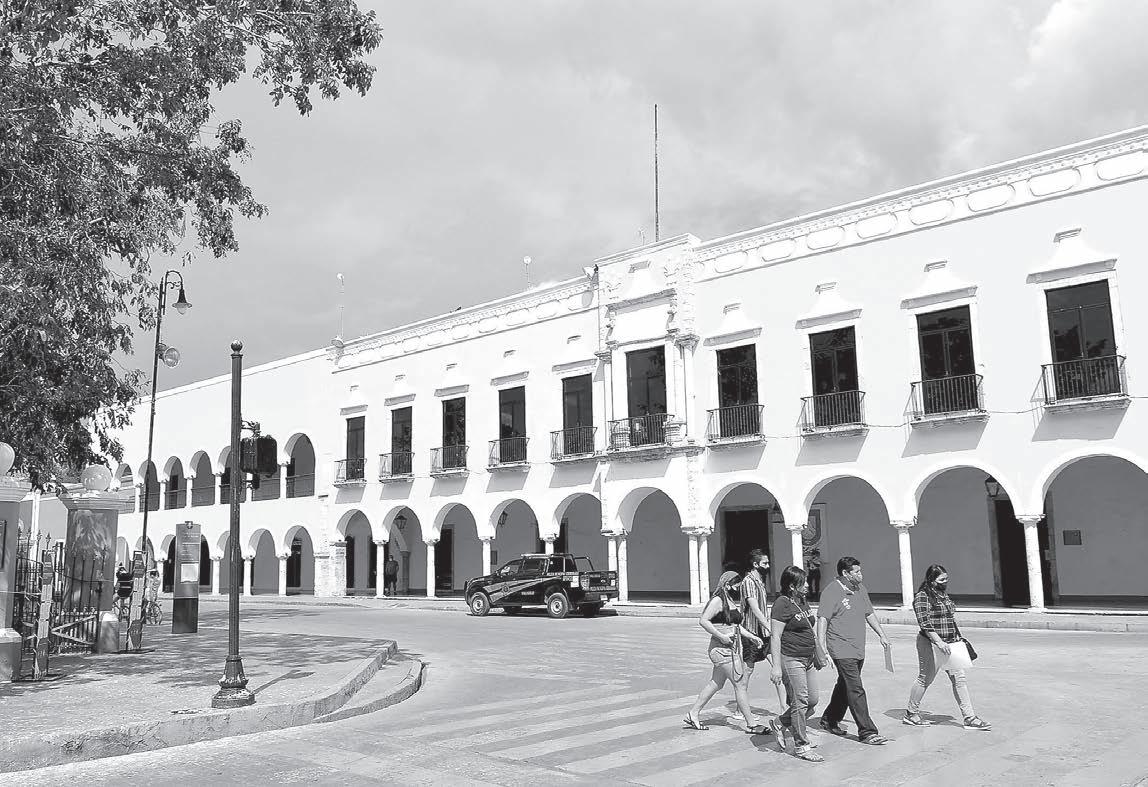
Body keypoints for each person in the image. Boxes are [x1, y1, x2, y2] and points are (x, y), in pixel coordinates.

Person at [903, 564, 992, 731]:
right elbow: (924, 623)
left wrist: (955, 640)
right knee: (925, 679)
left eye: (946, 579)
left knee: (959, 679)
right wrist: (939, 642)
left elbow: (950, 618)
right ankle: (911, 713)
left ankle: (969, 717)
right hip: (931, 643)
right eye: (941, 579)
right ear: (932, 580)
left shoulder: (942, 595)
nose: (945, 582)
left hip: (951, 644)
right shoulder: (922, 597)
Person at [816, 556, 892, 745]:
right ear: (845, 573)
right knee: (856, 688)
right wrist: (822, 646)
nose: (861, 574)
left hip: (858, 647)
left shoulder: (860, 589)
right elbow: (823, 619)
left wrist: (882, 634)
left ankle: (829, 719)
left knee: (845, 685)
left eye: (860, 570)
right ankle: (867, 731)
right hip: (840, 647)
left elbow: (869, 613)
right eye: (857, 572)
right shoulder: (831, 591)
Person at [684, 571, 769, 735]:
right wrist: (721, 636)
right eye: (735, 585)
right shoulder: (717, 600)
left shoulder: (729, 600)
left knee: (716, 683)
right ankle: (751, 724)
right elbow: (703, 620)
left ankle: (693, 713)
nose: (737, 589)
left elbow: (735, 626)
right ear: (727, 584)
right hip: (722, 650)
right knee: (740, 684)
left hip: (731, 649)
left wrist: (752, 637)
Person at [768, 566, 823, 762]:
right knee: (800, 702)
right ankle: (802, 746)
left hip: (808, 658)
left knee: (812, 701)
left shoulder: (801, 600)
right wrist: (776, 666)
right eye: (803, 582)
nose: (807, 585)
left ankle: (779, 722)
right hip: (792, 658)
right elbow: (775, 636)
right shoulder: (781, 604)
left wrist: (818, 652)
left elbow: (809, 627)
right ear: (792, 586)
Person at [740, 549, 786, 715]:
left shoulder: (760, 581)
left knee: (777, 667)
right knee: (747, 672)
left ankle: (784, 708)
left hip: (765, 634)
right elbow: (754, 607)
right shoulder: (748, 581)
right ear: (755, 564)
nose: (768, 566)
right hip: (751, 633)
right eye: (764, 563)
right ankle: (740, 708)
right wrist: (768, 626)